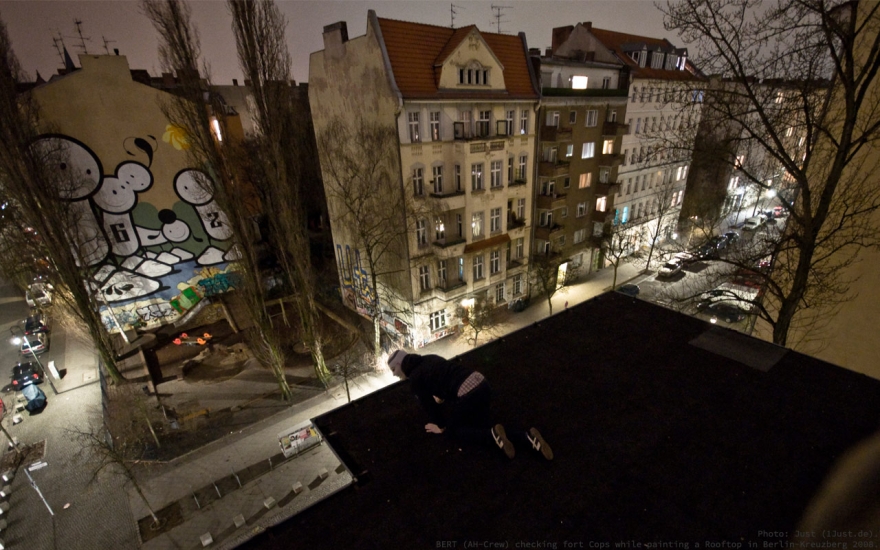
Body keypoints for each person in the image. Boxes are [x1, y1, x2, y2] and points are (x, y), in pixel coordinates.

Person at [387, 350, 553, 460]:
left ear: (400, 365)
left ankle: (493, 436)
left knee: (454, 431)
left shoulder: (415, 380)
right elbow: (442, 377)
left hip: (469, 394)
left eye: (394, 369)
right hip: (482, 384)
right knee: (480, 424)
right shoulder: (429, 358)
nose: (394, 374)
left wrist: (441, 426)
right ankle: (528, 438)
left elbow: (429, 406)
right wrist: (441, 397)